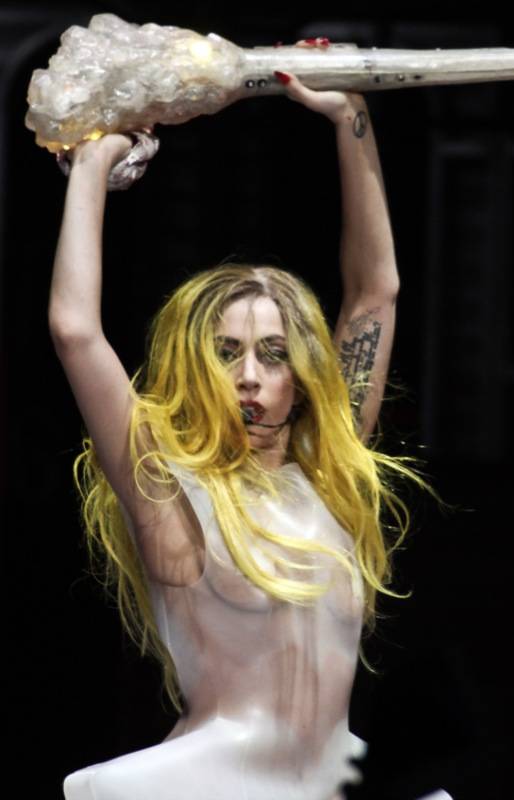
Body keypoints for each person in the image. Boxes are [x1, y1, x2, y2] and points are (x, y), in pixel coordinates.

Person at [49, 38, 438, 800]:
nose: (249, 376)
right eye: (226, 353)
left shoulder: (329, 478)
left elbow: (375, 293)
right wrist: (93, 164)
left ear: (302, 374)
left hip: (335, 779)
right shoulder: (169, 495)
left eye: (272, 353)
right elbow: (75, 332)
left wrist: (349, 120)